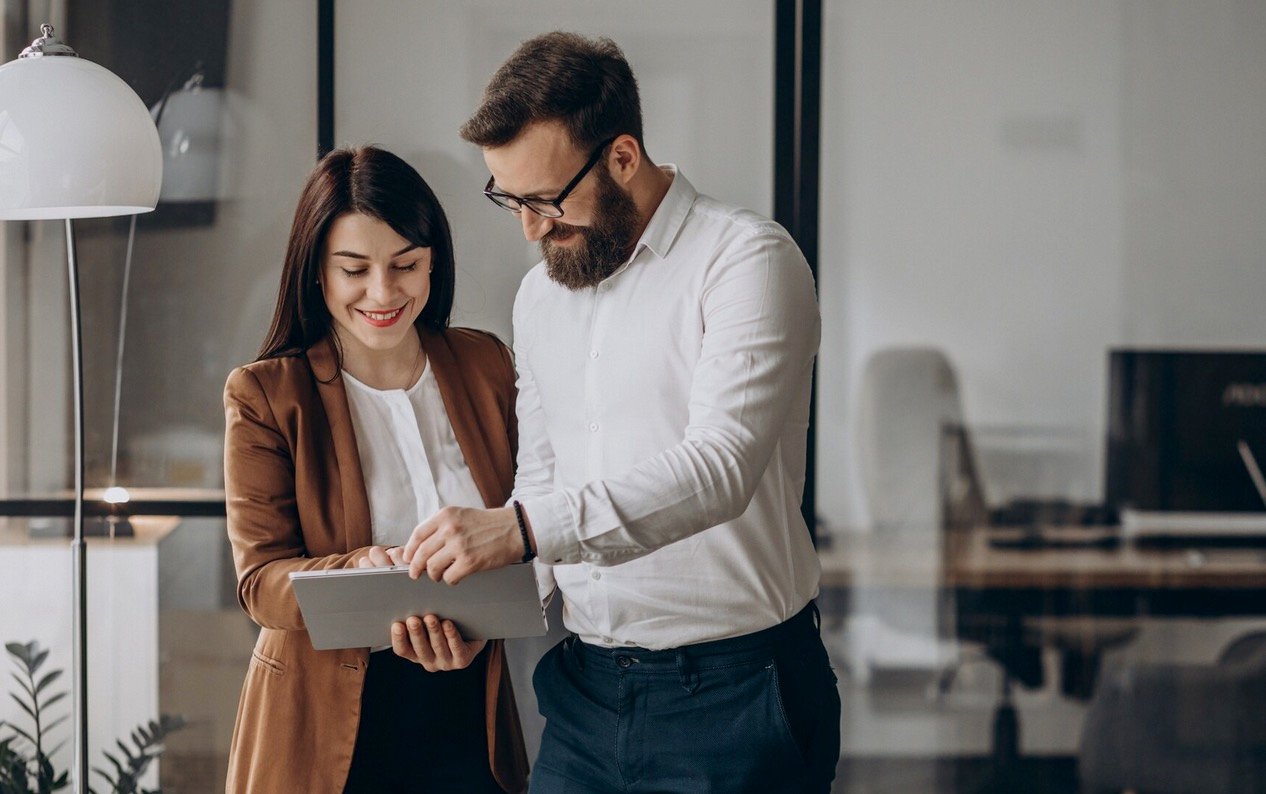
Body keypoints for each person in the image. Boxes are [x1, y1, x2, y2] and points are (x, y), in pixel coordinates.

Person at [401, 32, 840, 792]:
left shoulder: (747, 262)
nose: (531, 228)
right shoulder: (540, 297)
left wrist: (521, 530)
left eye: (545, 199)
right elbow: (542, 474)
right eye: (510, 200)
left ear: (623, 158)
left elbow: (720, 468)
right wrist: (483, 615)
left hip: (736, 693)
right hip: (583, 694)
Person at [223, 146, 529, 793]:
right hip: (322, 725)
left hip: (469, 712)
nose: (383, 293)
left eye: (405, 265)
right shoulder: (267, 394)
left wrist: (480, 617)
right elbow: (259, 582)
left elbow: (531, 520)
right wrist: (354, 570)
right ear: (317, 274)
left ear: (433, 261)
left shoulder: (486, 365)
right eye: (354, 270)